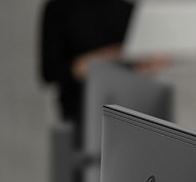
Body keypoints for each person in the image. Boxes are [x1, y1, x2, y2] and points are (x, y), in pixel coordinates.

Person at [38, 0, 169, 135]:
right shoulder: (59, 8)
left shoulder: (130, 10)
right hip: (81, 114)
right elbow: (50, 72)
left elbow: (140, 70)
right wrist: (114, 56)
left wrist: (150, 62)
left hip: (132, 111)